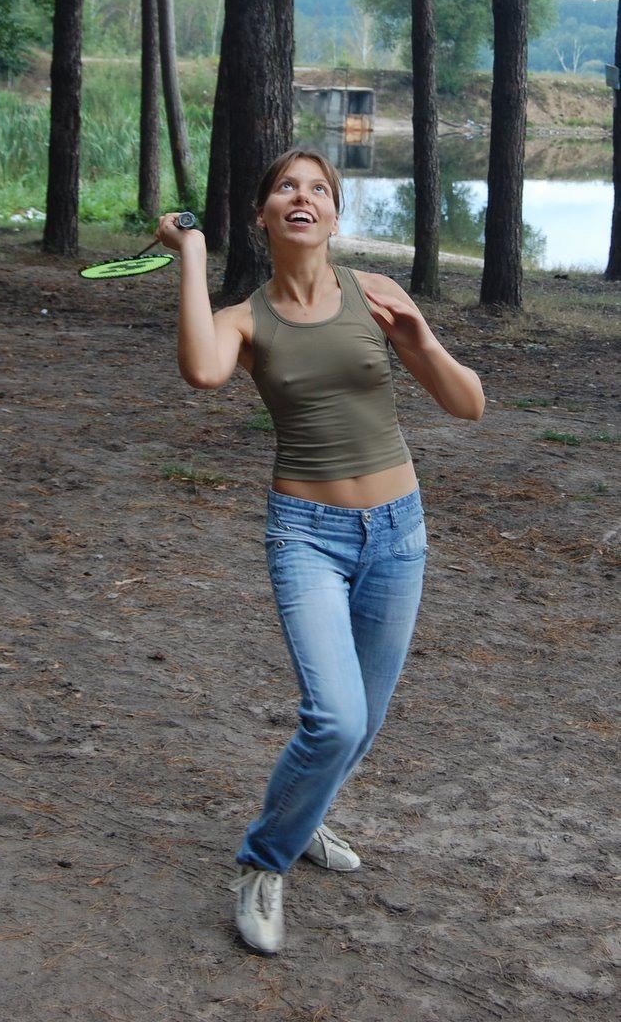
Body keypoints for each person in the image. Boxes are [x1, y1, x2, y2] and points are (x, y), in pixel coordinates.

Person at [156, 147, 485, 956]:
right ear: (264, 215)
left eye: (318, 188)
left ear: (335, 213)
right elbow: (201, 370)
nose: (302, 196)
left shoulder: (376, 294)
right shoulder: (247, 319)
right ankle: (262, 861)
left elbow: (468, 404)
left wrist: (421, 340)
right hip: (308, 536)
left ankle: (302, 820)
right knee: (334, 719)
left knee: (360, 726)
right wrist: (191, 251)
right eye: (285, 188)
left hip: (400, 534)